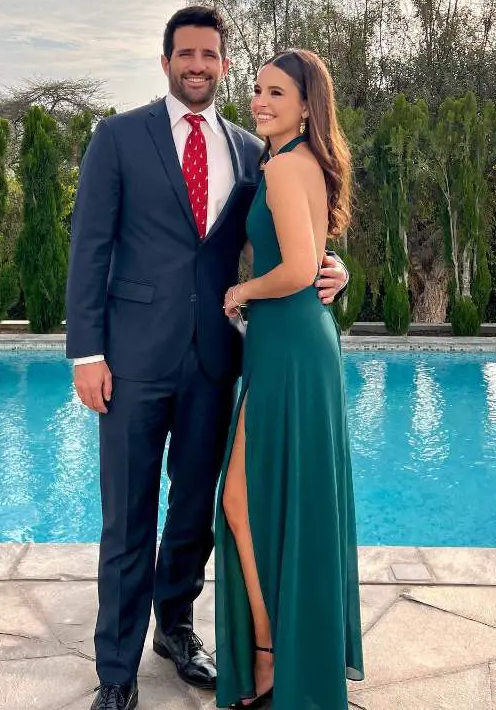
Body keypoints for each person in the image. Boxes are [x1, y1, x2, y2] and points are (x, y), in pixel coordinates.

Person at [65, 7, 349, 710]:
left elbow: (296, 239)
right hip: (131, 361)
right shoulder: (119, 137)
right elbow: (90, 249)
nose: (198, 65)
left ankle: (177, 628)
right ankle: (117, 671)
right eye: (185, 54)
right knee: (126, 518)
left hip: (216, 362)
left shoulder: (256, 149)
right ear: (165, 62)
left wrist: (336, 269)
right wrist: (86, 354)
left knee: (195, 511)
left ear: (223, 64)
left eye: (211, 55)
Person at [216, 48, 364, 710]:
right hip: (298, 343)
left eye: (277, 92)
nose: (260, 101)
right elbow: (318, 259)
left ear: (308, 104)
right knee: (278, 499)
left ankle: (272, 653)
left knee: (244, 501)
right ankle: (280, 650)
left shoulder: (281, 169)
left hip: (289, 344)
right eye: (256, 89)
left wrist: (241, 288)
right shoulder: (301, 164)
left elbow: (301, 268)